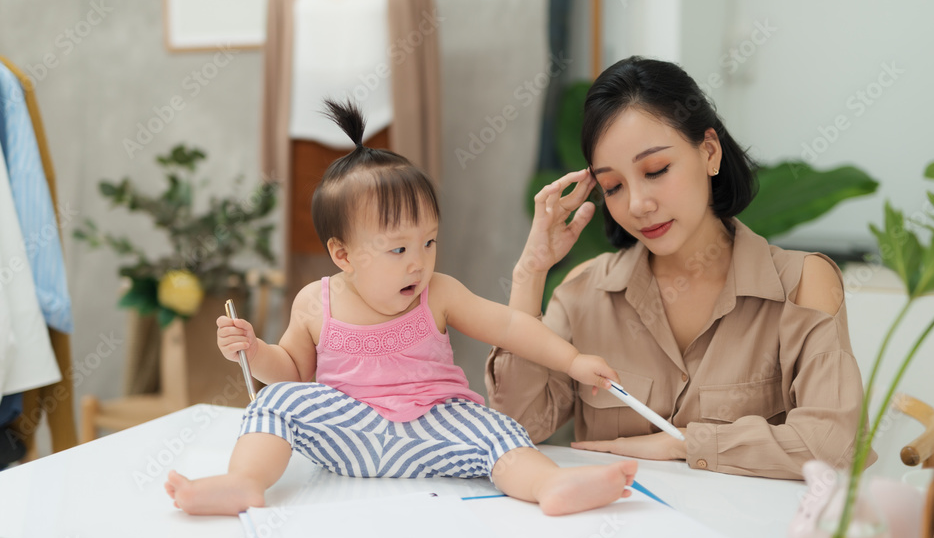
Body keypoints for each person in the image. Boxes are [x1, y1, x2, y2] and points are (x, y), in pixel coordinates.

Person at [165, 99, 638, 516]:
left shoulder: (440, 292)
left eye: (428, 242)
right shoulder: (316, 303)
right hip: (349, 433)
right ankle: (244, 482)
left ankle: (548, 485)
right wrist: (252, 349)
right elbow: (290, 371)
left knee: (497, 430)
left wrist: (573, 360)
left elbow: (511, 325)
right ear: (343, 255)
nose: (419, 263)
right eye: (398, 250)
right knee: (275, 402)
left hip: (436, 427)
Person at [486, 56, 869, 481]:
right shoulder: (584, 293)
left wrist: (684, 444)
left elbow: (836, 443)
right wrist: (529, 273)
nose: (636, 205)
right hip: (618, 532)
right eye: (613, 186)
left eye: (656, 170)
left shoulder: (801, 284)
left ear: (709, 151)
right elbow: (517, 428)